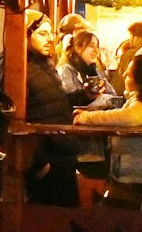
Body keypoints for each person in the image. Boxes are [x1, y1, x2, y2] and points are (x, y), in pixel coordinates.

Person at [77, 53, 142, 209]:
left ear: (141, 80)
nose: (124, 75)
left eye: (129, 74)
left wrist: (87, 117)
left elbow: (131, 117)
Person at [22, 16, 81, 206]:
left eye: (51, 33)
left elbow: (56, 103)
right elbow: (15, 115)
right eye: (42, 33)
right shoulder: (17, 66)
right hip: (47, 160)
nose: (50, 39)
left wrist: (84, 95)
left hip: (62, 155)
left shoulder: (44, 63)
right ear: (26, 35)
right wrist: (38, 165)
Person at [59, 29, 113, 102]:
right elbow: (68, 99)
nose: (96, 51)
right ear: (78, 48)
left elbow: (112, 94)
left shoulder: (96, 71)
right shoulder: (67, 70)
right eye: (91, 46)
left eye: (97, 47)